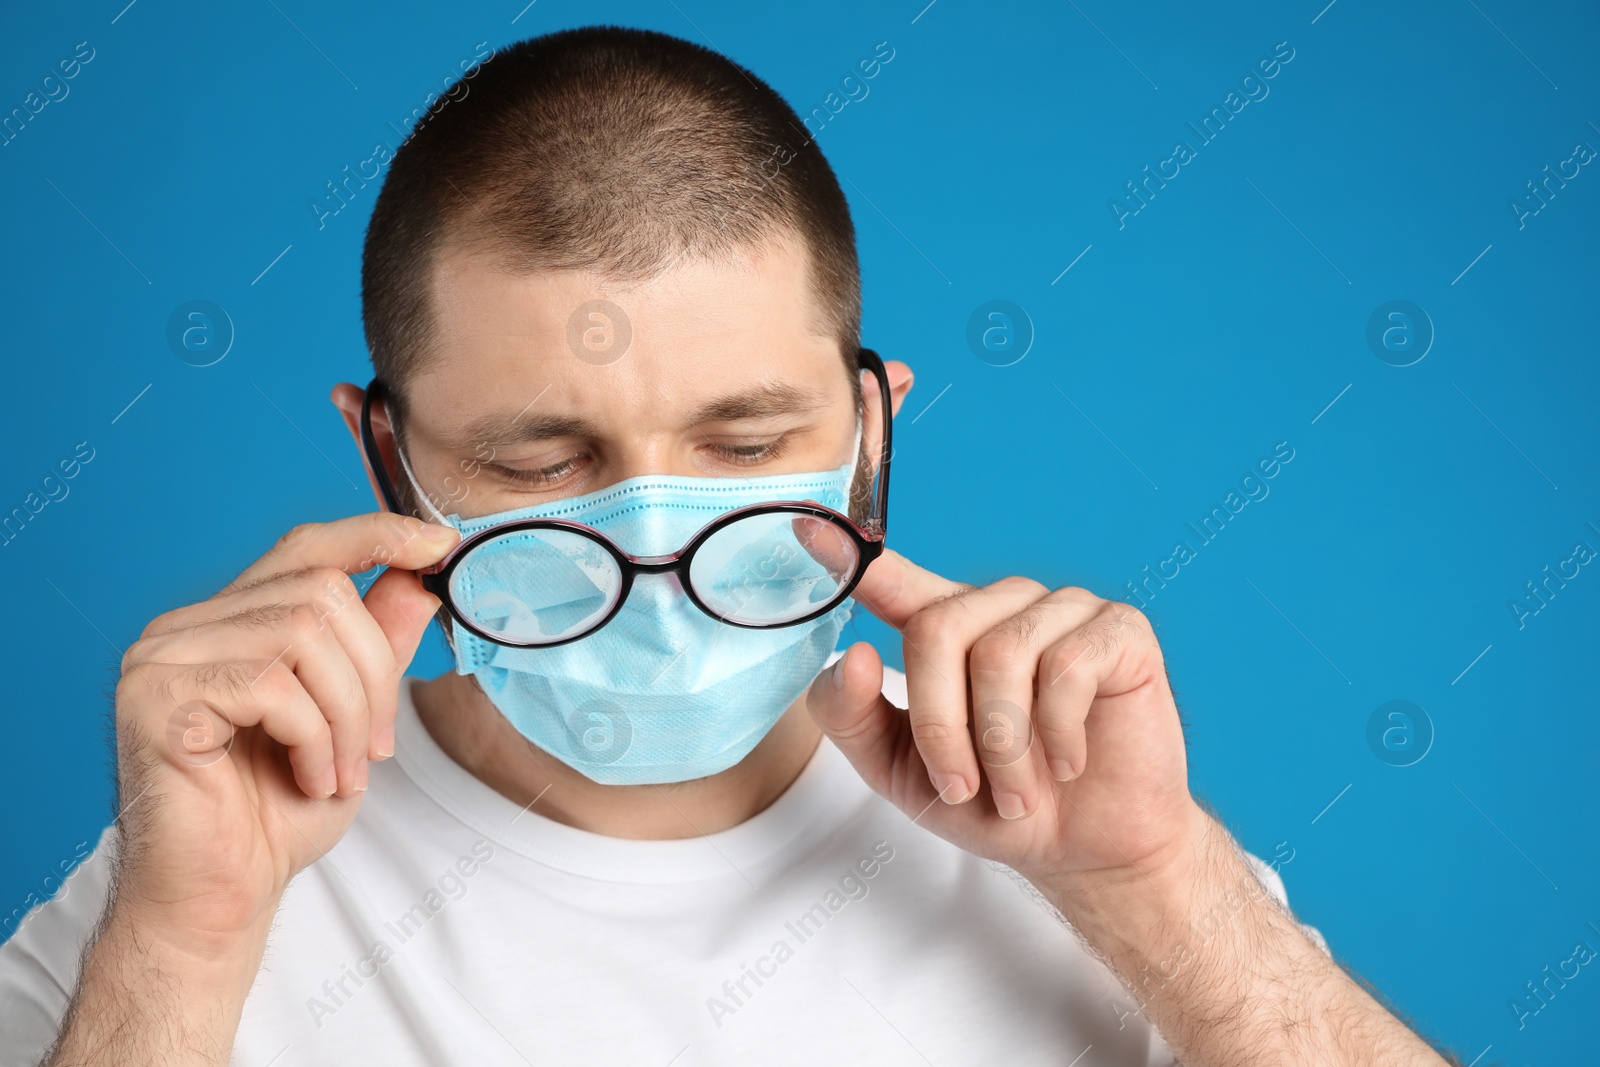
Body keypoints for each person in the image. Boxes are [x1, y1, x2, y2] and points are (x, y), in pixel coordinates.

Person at [0, 25, 1465, 1067]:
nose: (653, 533)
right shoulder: (188, 886)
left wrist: (1155, 886)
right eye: (538, 458)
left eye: (748, 445)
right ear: (379, 452)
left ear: (874, 426)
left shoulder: (1104, 843)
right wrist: (183, 950)